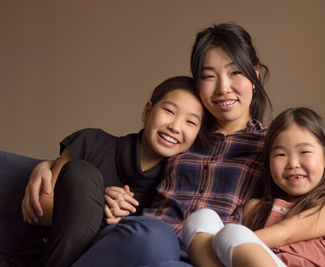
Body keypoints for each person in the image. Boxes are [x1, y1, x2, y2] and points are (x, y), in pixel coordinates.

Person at [71, 22, 272, 266]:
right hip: (140, 239)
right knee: (156, 238)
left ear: (255, 77)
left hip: (201, 255)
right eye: (209, 76)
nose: (223, 88)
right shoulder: (183, 133)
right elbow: (122, 156)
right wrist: (53, 166)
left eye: (235, 73)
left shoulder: (272, 146)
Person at [2, 76, 204, 267]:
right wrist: (97, 205)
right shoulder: (92, 143)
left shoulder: (172, 186)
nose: (175, 126)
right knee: (82, 175)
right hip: (32, 259)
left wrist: (118, 224)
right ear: (147, 110)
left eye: (191, 122)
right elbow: (40, 209)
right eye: (169, 111)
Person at [182, 107, 325, 267]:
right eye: (280, 154)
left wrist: (224, 244)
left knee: (231, 234)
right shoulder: (256, 208)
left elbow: (286, 233)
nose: (293, 163)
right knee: (200, 219)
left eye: (304, 152)